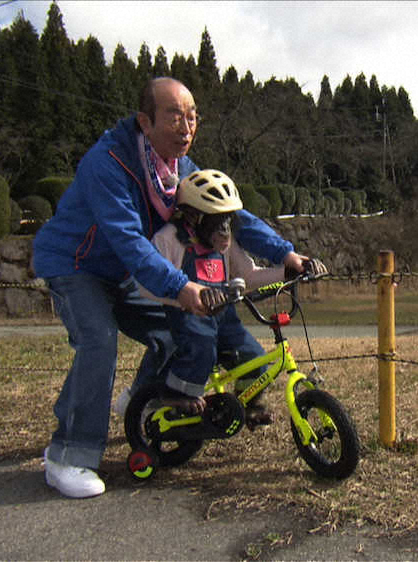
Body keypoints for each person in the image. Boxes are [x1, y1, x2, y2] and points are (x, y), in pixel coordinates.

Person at [32, 77, 311, 498]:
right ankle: (68, 455)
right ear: (145, 121)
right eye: (175, 116)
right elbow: (128, 240)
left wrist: (284, 253)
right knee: (99, 341)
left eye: (192, 116)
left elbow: (228, 213)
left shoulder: (178, 167)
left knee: (174, 331)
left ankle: (141, 400)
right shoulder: (108, 162)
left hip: (129, 271)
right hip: (77, 264)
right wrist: (181, 286)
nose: (187, 126)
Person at [138, 169, 327, 425]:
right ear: (194, 217)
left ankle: (247, 404)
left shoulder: (225, 246)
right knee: (201, 347)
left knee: (255, 358)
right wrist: (183, 296)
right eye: (217, 221)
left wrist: (287, 271)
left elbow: (248, 275)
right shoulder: (169, 240)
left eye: (228, 220)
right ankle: (175, 395)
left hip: (224, 316)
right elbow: (146, 285)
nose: (225, 230)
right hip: (188, 316)